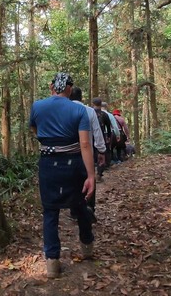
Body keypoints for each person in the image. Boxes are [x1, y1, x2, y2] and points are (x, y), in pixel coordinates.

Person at [30, 72, 97, 278]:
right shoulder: (79, 110)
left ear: (52, 87)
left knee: (50, 211)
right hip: (73, 164)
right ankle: (86, 246)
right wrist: (91, 175)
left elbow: (34, 129)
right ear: (69, 88)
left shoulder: (37, 107)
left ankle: (52, 263)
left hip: (48, 164)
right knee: (80, 204)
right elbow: (85, 143)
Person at [69, 86, 106, 219]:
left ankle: (74, 210)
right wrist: (101, 150)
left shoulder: (64, 110)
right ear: (81, 97)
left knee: (72, 179)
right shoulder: (90, 111)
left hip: (69, 152)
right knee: (89, 177)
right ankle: (89, 206)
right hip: (88, 151)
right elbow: (97, 132)